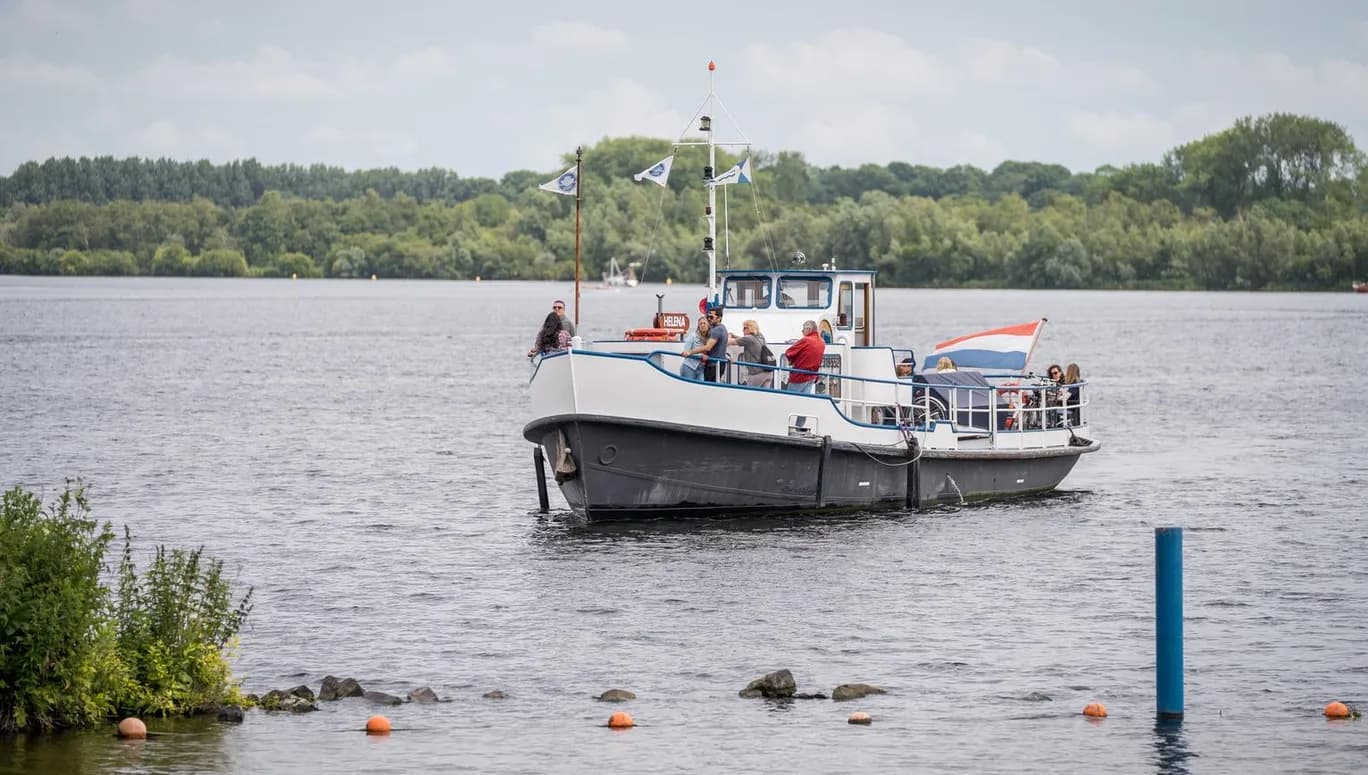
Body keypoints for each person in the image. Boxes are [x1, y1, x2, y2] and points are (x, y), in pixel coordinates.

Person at [681, 306, 729, 383]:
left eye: (711, 317)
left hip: (713, 365)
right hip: (700, 366)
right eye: (708, 317)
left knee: (709, 389)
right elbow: (720, 346)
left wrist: (690, 352)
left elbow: (708, 347)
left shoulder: (716, 330)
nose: (709, 319)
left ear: (719, 318)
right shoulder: (722, 329)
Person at [783, 320, 825, 393]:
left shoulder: (806, 340)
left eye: (803, 330)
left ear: (808, 329)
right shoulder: (822, 342)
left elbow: (788, 352)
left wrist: (792, 361)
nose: (802, 332)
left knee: (790, 399)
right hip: (812, 376)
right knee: (804, 400)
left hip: (799, 376)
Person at [729, 319, 773, 387]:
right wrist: (735, 336)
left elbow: (729, 342)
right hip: (768, 372)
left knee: (748, 395)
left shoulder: (749, 339)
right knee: (763, 396)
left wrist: (729, 335)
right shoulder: (760, 336)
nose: (742, 330)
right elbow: (745, 340)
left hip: (757, 374)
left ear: (750, 328)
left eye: (744, 328)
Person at [679, 316, 709, 381]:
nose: (702, 325)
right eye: (701, 324)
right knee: (689, 388)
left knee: (701, 388)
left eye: (704, 323)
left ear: (708, 325)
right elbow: (685, 352)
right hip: (689, 366)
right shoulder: (692, 336)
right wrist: (700, 356)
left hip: (701, 368)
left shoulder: (709, 339)